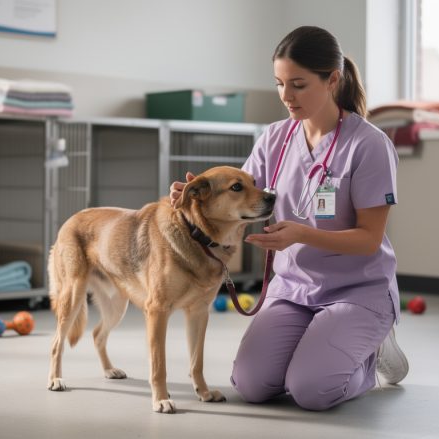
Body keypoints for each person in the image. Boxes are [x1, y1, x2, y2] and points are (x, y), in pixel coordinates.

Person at [169, 26, 408, 411]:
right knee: (252, 385)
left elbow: (368, 239)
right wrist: (194, 199)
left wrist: (302, 235)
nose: (286, 96)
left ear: (332, 79)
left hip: (357, 291)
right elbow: (238, 200)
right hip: (295, 289)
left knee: (311, 390)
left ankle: (370, 350)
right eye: (279, 83)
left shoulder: (369, 145)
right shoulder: (274, 138)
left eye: (297, 84)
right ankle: (326, 343)